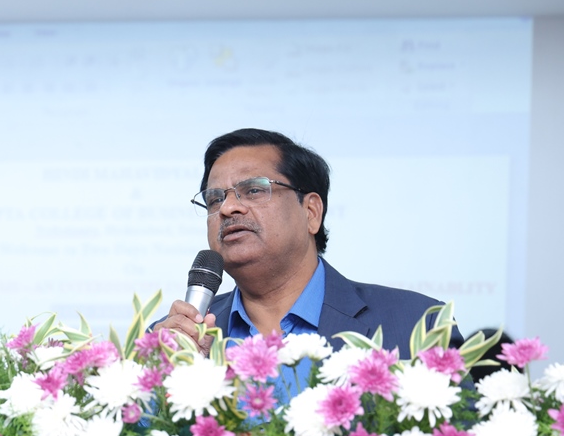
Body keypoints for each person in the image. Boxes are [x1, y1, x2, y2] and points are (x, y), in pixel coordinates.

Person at [154, 128, 461, 396]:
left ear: (311, 212)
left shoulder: (417, 324)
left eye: (254, 190)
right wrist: (166, 374)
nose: (228, 208)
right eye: (215, 199)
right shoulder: (170, 339)